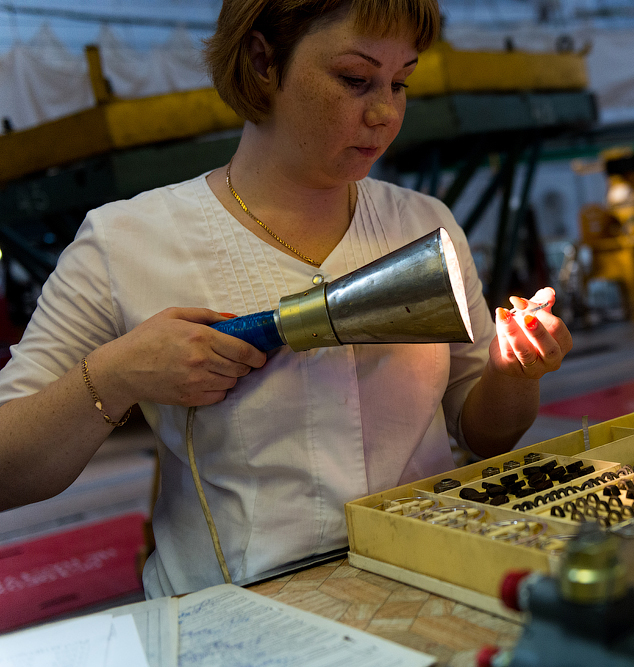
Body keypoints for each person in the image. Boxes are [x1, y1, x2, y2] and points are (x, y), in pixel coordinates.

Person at [0, 0, 572, 597]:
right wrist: (114, 376)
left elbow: (482, 433)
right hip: (234, 620)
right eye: (355, 79)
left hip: (423, 585)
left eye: (400, 82)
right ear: (262, 59)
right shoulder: (126, 242)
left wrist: (514, 371)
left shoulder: (424, 225)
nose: (384, 113)